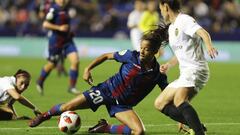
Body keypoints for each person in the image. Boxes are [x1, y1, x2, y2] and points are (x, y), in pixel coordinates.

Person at [29, 26, 169, 135]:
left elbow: (168, 96)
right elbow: (106, 56)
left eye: (147, 49)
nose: (142, 51)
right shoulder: (130, 56)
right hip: (105, 91)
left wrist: (180, 119)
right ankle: (44, 116)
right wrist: (87, 69)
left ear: (156, 50)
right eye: (141, 48)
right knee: (67, 107)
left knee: (139, 132)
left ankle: (105, 127)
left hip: (122, 105)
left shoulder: (158, 74)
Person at [154, 0, 218, 135]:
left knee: (179, 100)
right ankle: (196, 125)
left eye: (160, 9)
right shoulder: (172, 28)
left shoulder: (184, 20)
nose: (160, 12)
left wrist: (209, 46)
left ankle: (199, 132)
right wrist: (168, 65)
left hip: (196, 69)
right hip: (185, 73)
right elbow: (180, 54)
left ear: (166, 7)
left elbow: (203, 33)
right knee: (159, 103)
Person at [36, 0, 80, 95]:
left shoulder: (67, 8)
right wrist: (59, 28)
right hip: (56, 42)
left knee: (75, 61)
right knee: (52, 64)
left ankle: (72, 87)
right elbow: (45, 24)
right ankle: (40, 80)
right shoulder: (53, 9)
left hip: (68, 40)